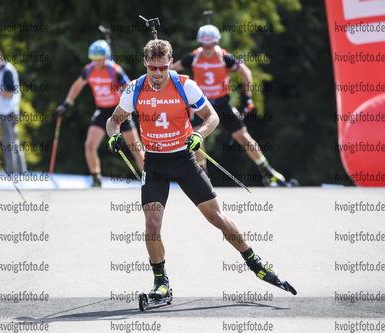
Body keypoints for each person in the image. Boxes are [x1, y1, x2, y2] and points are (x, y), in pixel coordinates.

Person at [106, 39, 294, 300]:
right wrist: (113, 135)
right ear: (145, 64)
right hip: (155, 164)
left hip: (184, 160)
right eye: (152, 68)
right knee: (151, 224)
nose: (157, 74)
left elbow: (212, 116)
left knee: (217, 218)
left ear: (170, 64)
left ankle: (255, 263)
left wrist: (199, 134)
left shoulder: (185, 85)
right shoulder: (134, 88)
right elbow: (113, 121)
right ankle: (161, 282)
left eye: (162, 68)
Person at [171, 24, 290, 186]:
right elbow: (172, 70)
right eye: (204, 45)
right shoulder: (193, 57)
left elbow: (245, 72)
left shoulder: (224, 57)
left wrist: (248, 98)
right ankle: (203, 175)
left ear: (216, 43)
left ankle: (267, 171)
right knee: (197, 137)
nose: (207, 49)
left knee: (243, 136)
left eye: (211, 45)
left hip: (222, 102)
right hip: (201, 104)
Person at [56, 40, 144, 187]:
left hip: (118, 111)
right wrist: (67, 103)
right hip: (102, 110)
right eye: (94, 59)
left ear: (106, 57)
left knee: (135, 147)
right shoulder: (88, 70)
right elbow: (78, 85)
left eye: (100, 59)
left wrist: (133, 106)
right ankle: (96, 178)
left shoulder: (114, 70)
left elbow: (129, 87)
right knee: (90, 144)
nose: (97, 62)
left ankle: (149, 177)